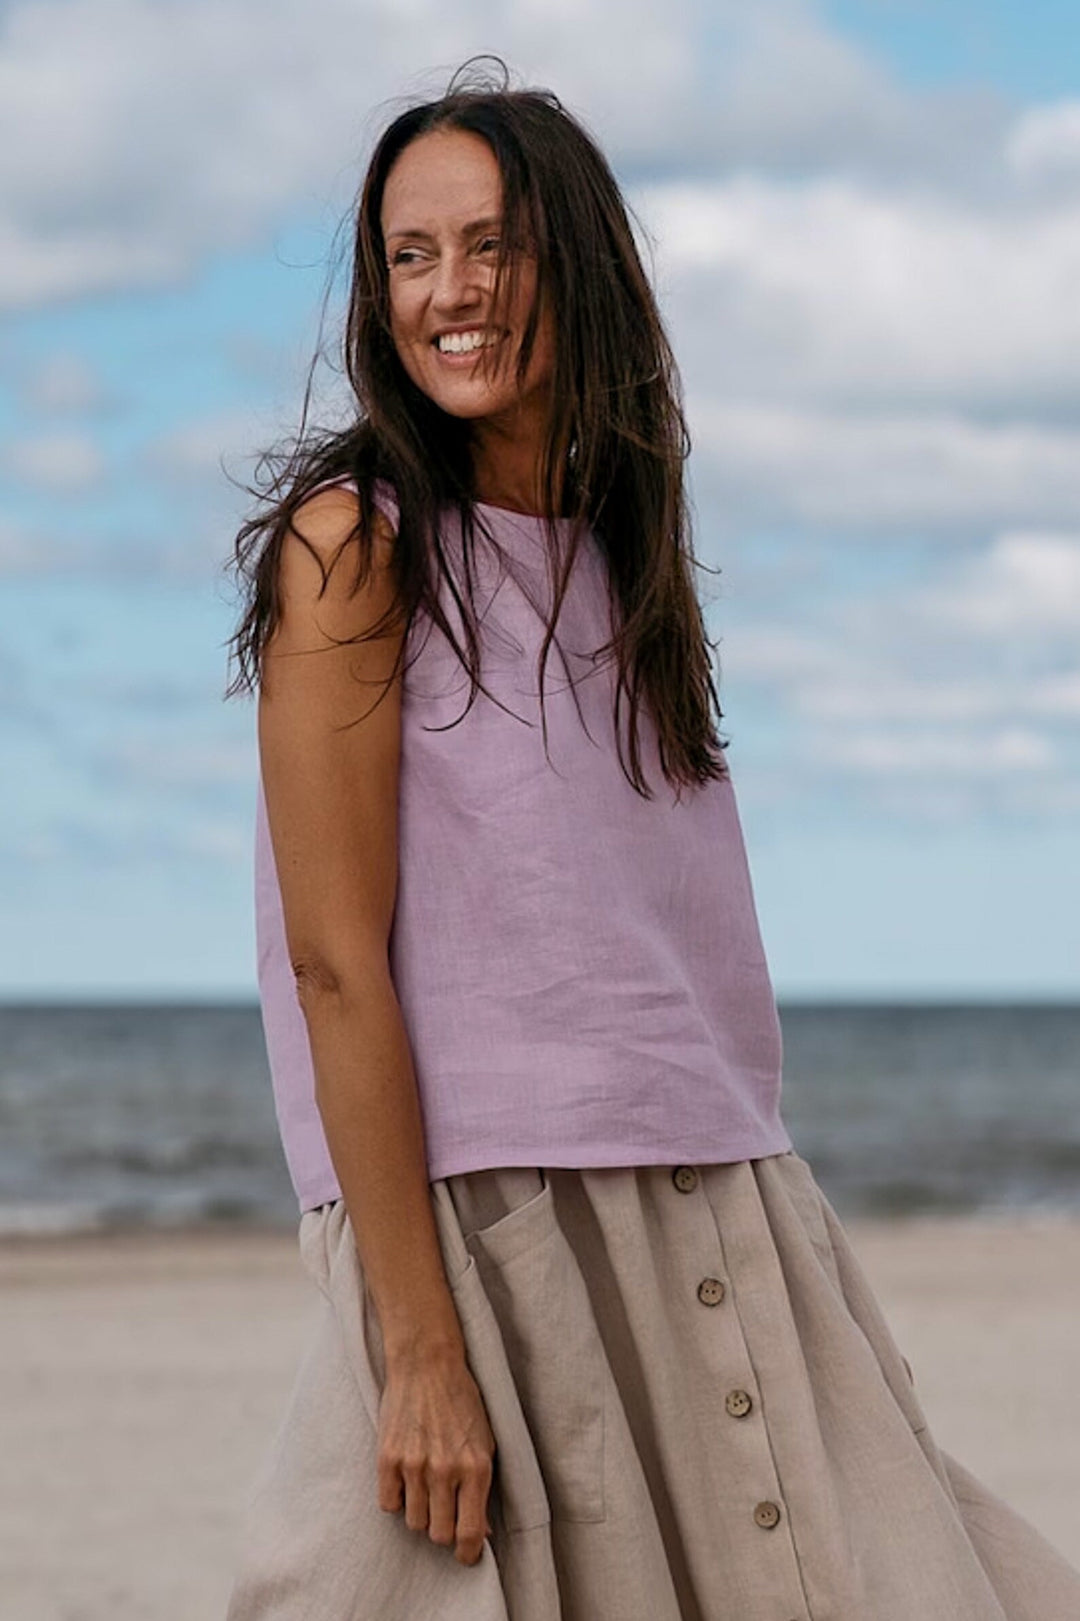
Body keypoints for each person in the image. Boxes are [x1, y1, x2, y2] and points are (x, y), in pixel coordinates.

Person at [222, 55, 1080, 1621]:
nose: (450, 293)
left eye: (492, 244)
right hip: (498, 1230)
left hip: (727, 1198)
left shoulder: (635, 567)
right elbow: (336, 961)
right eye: (411, 256)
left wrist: (799, 1265)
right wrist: (415, 1340)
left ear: (580, 261)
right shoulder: (357, 550)